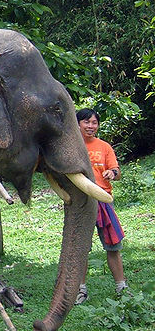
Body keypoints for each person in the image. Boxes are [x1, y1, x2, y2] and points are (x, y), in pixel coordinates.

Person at [74, 107, 128, 305]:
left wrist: (112, 174)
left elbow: (117, 171)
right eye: (86, 122)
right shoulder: (71, 146)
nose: (91, 126)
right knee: (80, 249)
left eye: (94, 122)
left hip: (103, 201)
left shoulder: (104, 146)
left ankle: (121, 288)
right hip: (80, 203)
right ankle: (80, 290)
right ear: (77, 124)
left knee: (113, 246)